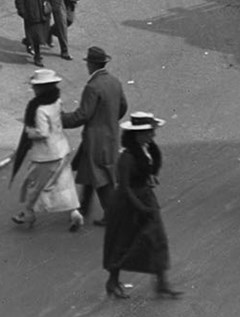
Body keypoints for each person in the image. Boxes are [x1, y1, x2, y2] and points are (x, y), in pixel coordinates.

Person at [105, 112, 185, 299]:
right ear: (137, 134)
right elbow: (124, 187)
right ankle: (112, 281)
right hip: (129, 203)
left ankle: (161, 282)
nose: (152, 135)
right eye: (149, 132)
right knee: (123, 242)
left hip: (145, 198)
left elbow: (145, 171)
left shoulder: (145, 150)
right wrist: (141, 207)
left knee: (157, 238)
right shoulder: (127, 158)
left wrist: (149, 180)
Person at [62, 47, 127, 227]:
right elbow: (122, 106)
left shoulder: (92, 87)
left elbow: (82, 115)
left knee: (100, 177)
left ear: (91, 64)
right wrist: (109, 120)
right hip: (110, 137)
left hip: (95, 140)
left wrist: (61, 119)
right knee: (91, 171)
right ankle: (84, 206)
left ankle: (111, 213)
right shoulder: (115, 82)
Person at [11, 69, 83, 230]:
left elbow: (42, 132)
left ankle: (29, 212)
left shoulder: (39, 109)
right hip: (61, 149)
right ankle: (74, 212)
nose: (34, 89)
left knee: (33, 185)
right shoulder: (56, 102)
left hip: (45, 154)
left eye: (36, 86)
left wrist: (30, 132)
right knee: (64, 184)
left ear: (40, 88)